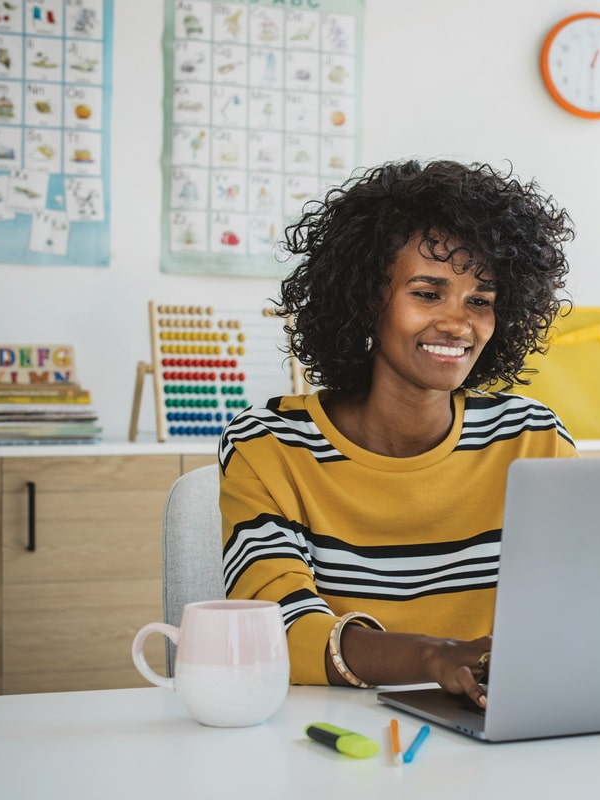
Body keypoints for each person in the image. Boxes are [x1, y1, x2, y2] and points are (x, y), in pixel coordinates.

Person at [219, 159, 578, 709]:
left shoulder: (532, 439)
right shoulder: (270, 445)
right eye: (428, 294)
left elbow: (581, 608)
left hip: (499, 729)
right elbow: (276, 630)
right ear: (366, 300)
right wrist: (437, 658)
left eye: (480, 300)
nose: (459, 324)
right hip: (330, 744)